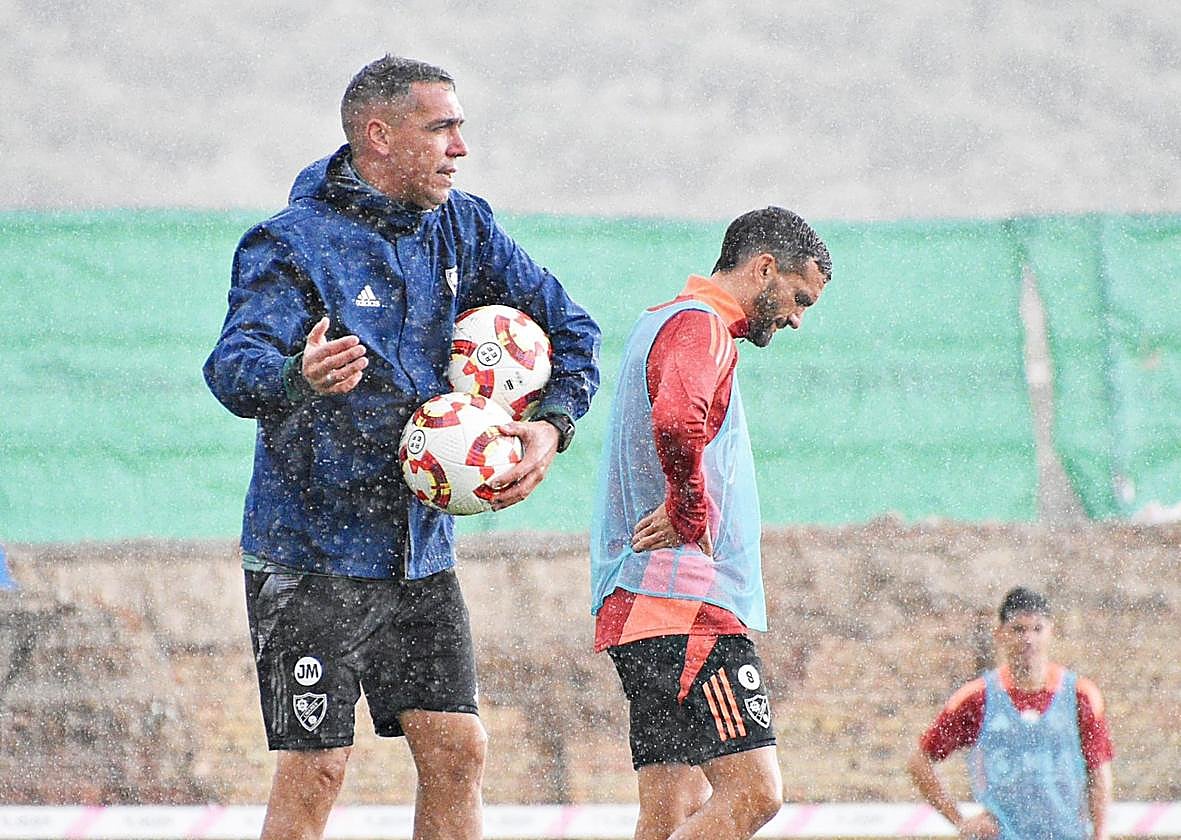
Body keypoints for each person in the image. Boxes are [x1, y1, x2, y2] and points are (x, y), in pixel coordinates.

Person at [203, 55, 600, 840]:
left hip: (418, 552)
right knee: (317, 766)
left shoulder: (464, 225)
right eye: (442, 127)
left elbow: (572, 330)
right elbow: (231, 367)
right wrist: (298, 375)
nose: (460, 147)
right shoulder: (290, 243)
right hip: (309, 554)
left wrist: (550, 426)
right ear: (379, 136)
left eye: (460, 128)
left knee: (456, 749)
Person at [590, 207, 832, 840]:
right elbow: (676, 419)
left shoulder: (662, 321)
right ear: (764, 268)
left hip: (640, 602)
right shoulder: (704, 329)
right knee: (755, 794)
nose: (797, 319)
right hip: (685, 604)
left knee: (672, 809)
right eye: (798, 299)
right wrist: (689, 508)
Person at [907, 587, 1114, 840]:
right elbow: (920, 761)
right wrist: (959, 820)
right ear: (1000, 634)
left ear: (1051, 631)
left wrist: (1100, 835)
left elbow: (1099, 772)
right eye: (1018, 629)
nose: (1028, 639)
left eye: (1037, 629)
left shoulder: (1080, 695)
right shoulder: (977, 698)